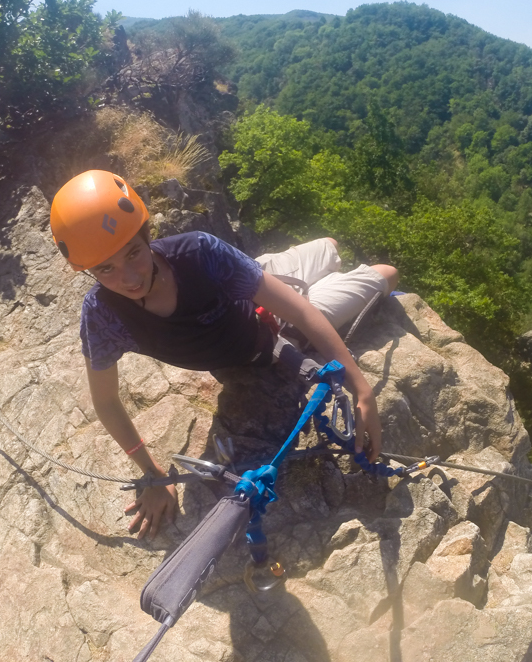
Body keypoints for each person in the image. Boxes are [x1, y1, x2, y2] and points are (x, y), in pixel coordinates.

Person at [50, 170, 400, 539]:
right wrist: (152, 472)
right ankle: (318, 264)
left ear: (147, 236)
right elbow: (105, 401)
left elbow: (300, 311)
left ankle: (318, 257)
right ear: (88, 271)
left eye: (134, 253)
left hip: (260, 291)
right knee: (386, 274)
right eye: (106, 269)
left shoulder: (200, 253)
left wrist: (361, 389)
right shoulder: (103, 314)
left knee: (331, 247)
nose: (129, 277)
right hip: (268, 317)